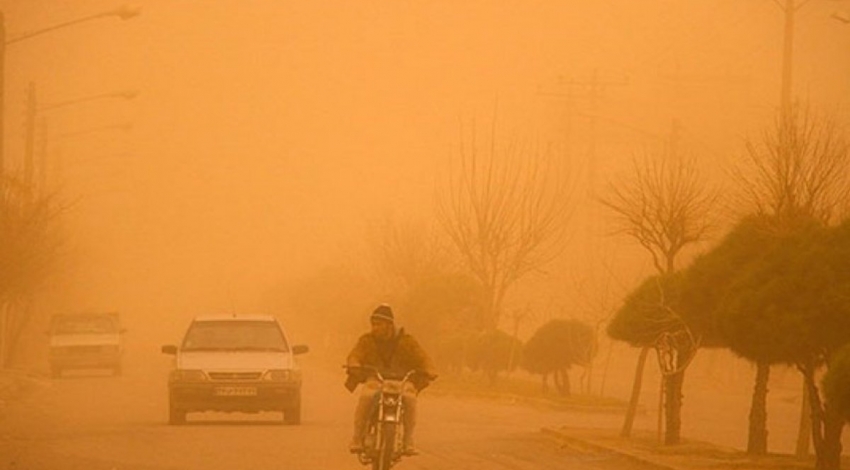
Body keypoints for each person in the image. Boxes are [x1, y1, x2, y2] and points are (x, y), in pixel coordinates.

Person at [345, 304, 436, 455]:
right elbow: (355, 354)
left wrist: (430, 369)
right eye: (373, 324)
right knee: (366, 397)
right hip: (375, 379)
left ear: (390, 325)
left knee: (410, 399)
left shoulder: (407, 341)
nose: (375, 328)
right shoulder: (366, 340)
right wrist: (353, 364)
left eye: (379, 324)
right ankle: (357, 438)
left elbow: (423, 357)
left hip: (403, 382)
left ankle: (408, 441)